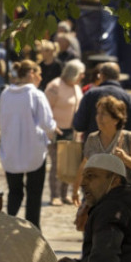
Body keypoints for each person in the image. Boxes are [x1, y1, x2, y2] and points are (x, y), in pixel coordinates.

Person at [0, 60, 57, 229]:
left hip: (11, 148)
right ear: (32, 73)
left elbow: (2, 120)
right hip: (34, 149)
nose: (41, 78)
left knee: (14, 191)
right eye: (39, 74)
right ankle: (33, 227)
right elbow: (46, 123)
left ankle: (9, 224)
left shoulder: (6, 93)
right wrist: (54, 129)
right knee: (34, 193)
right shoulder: (36, 95)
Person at [72, 95, 131, 205]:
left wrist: (125, 158)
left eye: (103, 114)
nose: (98, 117)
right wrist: (75, 191)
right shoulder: (92, 138)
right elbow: (84, 166)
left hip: (125, 199)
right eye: (98, 113)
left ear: (116, 119)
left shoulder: (128, 138)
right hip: (98, 197)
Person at [44, 59, 85, 206]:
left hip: (72, 132)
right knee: (57, 165)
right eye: (81, 74)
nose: (83, 76)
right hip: (57, 131)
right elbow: (45, 109)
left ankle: (64, 193)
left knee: (70, 164)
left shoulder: (77, 87)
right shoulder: (55, 86)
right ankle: (55, 195)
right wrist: (51, 127)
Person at [73, 61, 131, 135]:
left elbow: (79, 125)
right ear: (118, 77)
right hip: (119, 141)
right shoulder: (127, 97)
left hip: (93, 141)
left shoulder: (90, 94)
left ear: (101, 76)